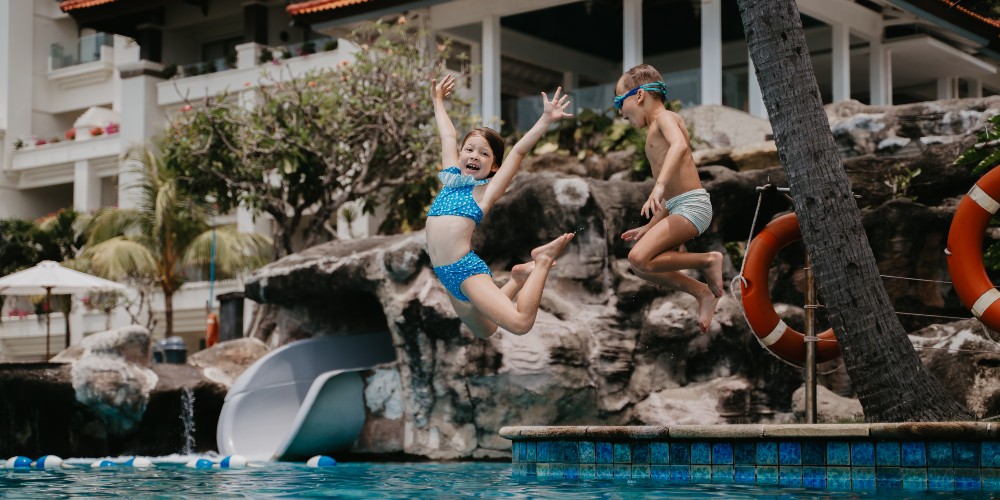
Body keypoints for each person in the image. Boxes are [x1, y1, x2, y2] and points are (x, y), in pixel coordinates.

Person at [426, 74, 575, 339]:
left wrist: (546, 119)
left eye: (484, 153)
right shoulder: (450, 179)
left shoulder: (484, 192)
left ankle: (542, 261)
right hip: (445, 273)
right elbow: (448, 135)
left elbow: (517, 152)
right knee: (486, 329)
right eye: (469, 149)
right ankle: (518, 279)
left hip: (464, 269)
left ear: (493, 166)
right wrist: (438, 100)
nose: (474, 155)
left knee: (520, 323)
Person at [615, 64, 724, 333]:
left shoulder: (665, 119)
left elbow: (680, 146)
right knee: (641, 266)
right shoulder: (654, 129)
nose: (619, 111)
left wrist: (659, 185)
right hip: (680, 206)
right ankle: (701, 292)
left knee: (639, 258)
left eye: (620, 101)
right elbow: (673, 197)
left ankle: (708, 260)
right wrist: (648, 226)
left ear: (639, 96)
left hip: (692, 206)